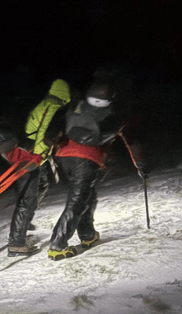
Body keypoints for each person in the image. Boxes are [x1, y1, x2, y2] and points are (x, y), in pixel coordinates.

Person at [44, 72, 145, 260]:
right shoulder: (113, 114)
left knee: (87, 196)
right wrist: (141, 165)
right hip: (86, 159)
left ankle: (88, 235)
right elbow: (132, 141)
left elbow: (57, 126)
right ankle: (57, 245)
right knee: (78, 200)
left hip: (64, 157)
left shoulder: (76, 106)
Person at [1, 79, 72, 256]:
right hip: (29, 158)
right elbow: (44, 134)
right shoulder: (52, 106)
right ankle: (16, 243)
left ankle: (23, 227)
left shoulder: (47, 104)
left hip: (31, 157)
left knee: (41, 186)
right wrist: (47, 149)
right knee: (28, 200)